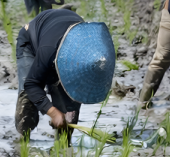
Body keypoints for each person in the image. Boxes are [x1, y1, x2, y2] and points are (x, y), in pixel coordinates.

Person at [16, 9, 115, 143]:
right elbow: (31, 84)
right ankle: (23, 141)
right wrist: (53, 112)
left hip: (62, 37)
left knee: (69, 112)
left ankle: (62, 145)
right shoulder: (48, 50)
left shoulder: (96, 53)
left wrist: (66, 113)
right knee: (27, 101)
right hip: (32, 42)